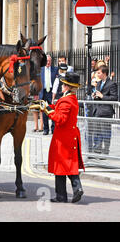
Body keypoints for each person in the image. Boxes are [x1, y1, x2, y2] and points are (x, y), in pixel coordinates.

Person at [40, 71, 85, 203]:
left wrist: (48, 111)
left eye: (63, 84)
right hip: (68, 135)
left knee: (62, 164)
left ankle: (70, 191)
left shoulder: (66, 100)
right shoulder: (70, 99)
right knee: (64, 165)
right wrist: (47, 106)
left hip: (64, 137)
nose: (61, 86)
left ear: (68, 87)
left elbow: (60, 119)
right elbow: (59, 109)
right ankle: (67, 192)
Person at [92, 65, 118, 156]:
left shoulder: (111, 84)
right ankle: (97, 150)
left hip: (106, 112)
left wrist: (103, 96)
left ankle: (105, 151)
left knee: (105, 132)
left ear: (104, 73)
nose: (97, 74)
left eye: (99, 73)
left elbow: (114, 98)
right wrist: (95, 96)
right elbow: (98, 97)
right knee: (97, 131)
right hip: (97, 111)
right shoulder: (98, 83)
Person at [40, 55, 58, 135]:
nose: (48, 62)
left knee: (53, 110)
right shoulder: (40, 70)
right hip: (43, 92)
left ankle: (53, 129)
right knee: (44, 111)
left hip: (51, 92)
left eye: (49, 61)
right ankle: (45, 129)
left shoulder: (55, 69)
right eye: (47, 61)